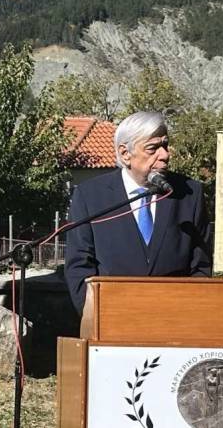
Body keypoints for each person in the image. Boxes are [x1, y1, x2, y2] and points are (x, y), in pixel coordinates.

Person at [64, 111, 212, 315]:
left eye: (165, 145)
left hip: (176, 319)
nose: (165, 155)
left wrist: (188, 313)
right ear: (125, 154)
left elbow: (201, 267)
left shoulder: (189, 193)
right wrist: (94, 317)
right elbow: (79, 267)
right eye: (153, 148)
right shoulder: (90, 196)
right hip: (111, 320)